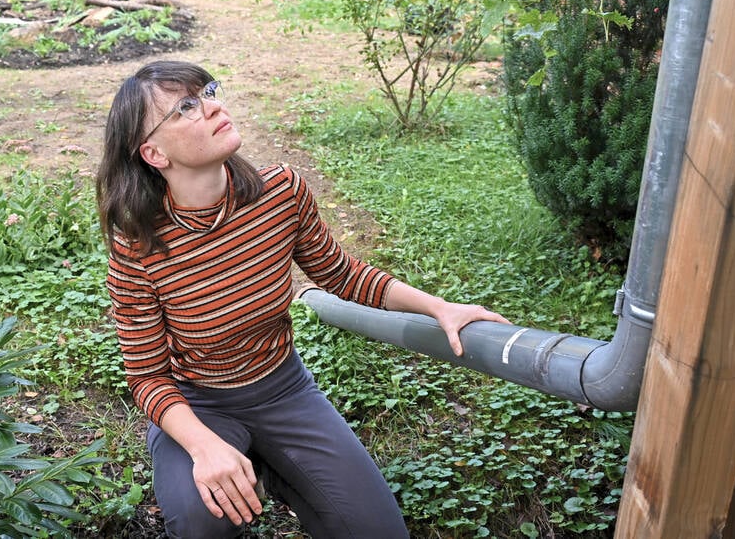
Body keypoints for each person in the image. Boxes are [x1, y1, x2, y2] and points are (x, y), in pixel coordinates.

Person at [96, 60, 510, 539]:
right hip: (197, 404)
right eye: (186, 107)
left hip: (283, 390)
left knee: (377, 531)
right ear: (154, 153)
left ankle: (271, 461)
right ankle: (240, 455)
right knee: (197, 522)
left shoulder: (281, 192)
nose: (213, 107)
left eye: (209, 91)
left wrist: (439, 307)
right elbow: (146, 375)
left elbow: (341, 273)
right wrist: (204, 447)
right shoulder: (139, 247)